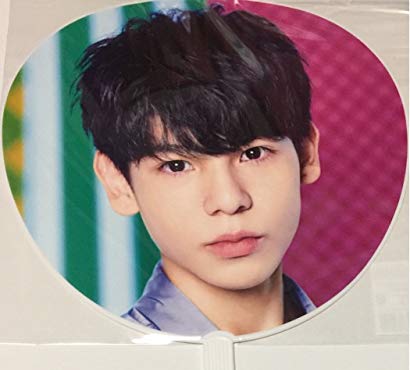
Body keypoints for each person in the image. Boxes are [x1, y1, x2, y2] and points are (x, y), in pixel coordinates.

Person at [74, 4, 321, 336]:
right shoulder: (98, 365)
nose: (228, 201)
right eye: (177, 165)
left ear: (306, 153)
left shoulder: (364, 346)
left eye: (253, 153)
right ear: (118, 182)